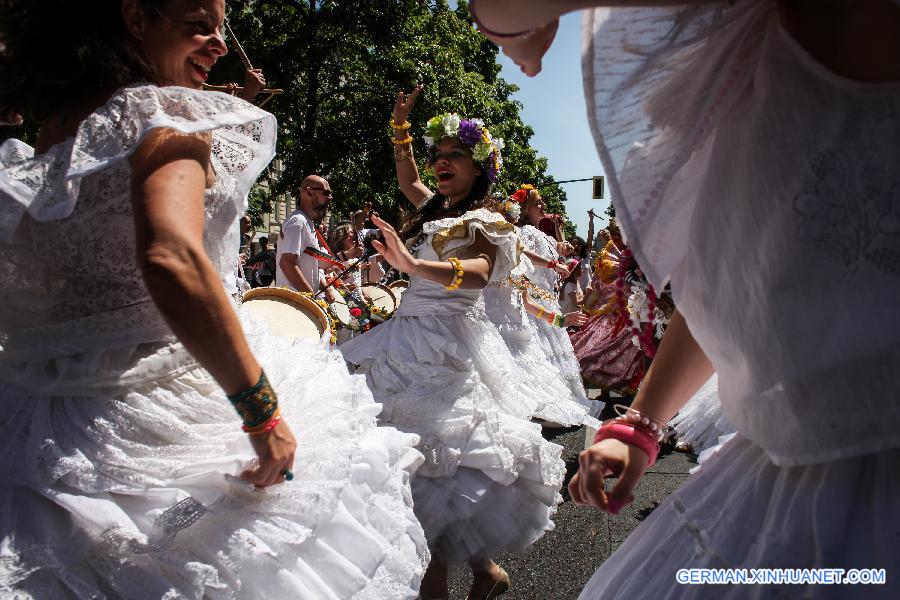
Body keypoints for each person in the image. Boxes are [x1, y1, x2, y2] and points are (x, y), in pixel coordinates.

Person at [0, 1, 428, 596]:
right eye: (199, 22)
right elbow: (172, 257)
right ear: (133, 17)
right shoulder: (167, 116)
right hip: (164, 408)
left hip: (39, 421)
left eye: (221, 26)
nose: (219, 43)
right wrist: (262, 412)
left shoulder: (57, 132)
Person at [475, 0, 900, 598]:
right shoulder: (775, 60)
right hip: (792, 491)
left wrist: (516, 30)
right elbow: (744, 280)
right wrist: (640, 425)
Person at [341, 87, 566, 600]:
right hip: (399, 343)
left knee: (434, 467)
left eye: (455, 155)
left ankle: (449, 581)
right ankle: (486, 572)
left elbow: (481, 274)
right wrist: (400, 126)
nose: (441, 162)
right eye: (438, 155)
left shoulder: (485, 220)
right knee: (424, 469)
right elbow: (408, 179)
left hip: (443, 349)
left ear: (480, 167)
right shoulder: (432, 207)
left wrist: (413, 265)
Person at [515, 185, 592, 408]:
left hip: (549, 297)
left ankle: (558, 398)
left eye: (542, 202)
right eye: (538, 203)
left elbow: (557, 252)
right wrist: (553, 263)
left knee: (554, 352)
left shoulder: (541, 234)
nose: (543, 206)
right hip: (536, 297)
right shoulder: (526, 232)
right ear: (526, 208)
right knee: (539, 351)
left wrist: (560, 240)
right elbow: (524, 256)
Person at [275, 175, 333, 295]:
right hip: (293, 302)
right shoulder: (297, 221)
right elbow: (287, 263)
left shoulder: (308, 223)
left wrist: (325, 288)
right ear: (308, 192)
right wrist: (310, 296)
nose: (330, 197)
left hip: (301, 301)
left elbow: (309, 267)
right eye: (326, 193)